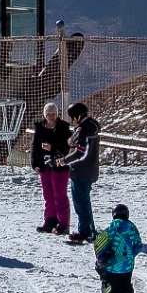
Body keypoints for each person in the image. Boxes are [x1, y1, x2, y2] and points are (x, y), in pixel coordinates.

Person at [94, 204, 143, 293]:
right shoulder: (132, 227)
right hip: (128, 265)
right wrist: (130, 255)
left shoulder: (113, 226)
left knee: (115, 289)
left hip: (113, 265)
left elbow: (105, 241)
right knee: (127, 286)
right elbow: (138, 245)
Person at [30, 103, 70, 233]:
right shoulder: (40, 128)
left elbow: (66, 147)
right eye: (48, 114)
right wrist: (35, 164)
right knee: (48, 194)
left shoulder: (63, 128)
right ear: (45, 115)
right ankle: (50, 219)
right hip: (44, 165)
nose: (51, 116)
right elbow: (35, 147)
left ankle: (63, 223)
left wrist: (52, 148)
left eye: (53, 114)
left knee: (59, 195)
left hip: (59, 165)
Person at [66, 102, 102, 243]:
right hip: (90, 170)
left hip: (80, 171)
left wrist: (64, 161)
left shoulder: (82, 131)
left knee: (80, 202)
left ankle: (85, 231)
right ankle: (89, 228)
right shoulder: (91, 128)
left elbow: (80, 153)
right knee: (85, 201)